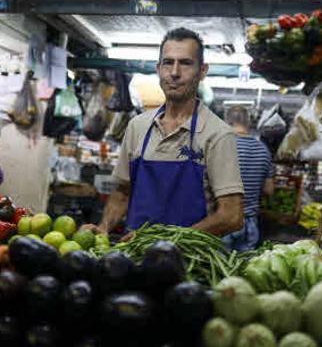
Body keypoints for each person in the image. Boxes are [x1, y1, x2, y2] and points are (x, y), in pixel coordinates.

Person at [83, 28, 244, 237]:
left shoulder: (217, 134)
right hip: (134, 259)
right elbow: (122, 193)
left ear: (202, 71)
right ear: (159, 69)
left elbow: (231, 216)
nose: (175, 72)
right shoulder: (137, 127)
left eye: (185, 63)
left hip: (190, 262)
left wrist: (165, 242)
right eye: (168, 63)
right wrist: (104, 227)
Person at [222, 105, 274, 251]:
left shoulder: (221, 146)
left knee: (219, 269)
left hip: (222, 220)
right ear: (248, 123)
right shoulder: (263, 149)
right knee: (243, 269)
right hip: (249, 223)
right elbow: (269, 190)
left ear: (226, 122)